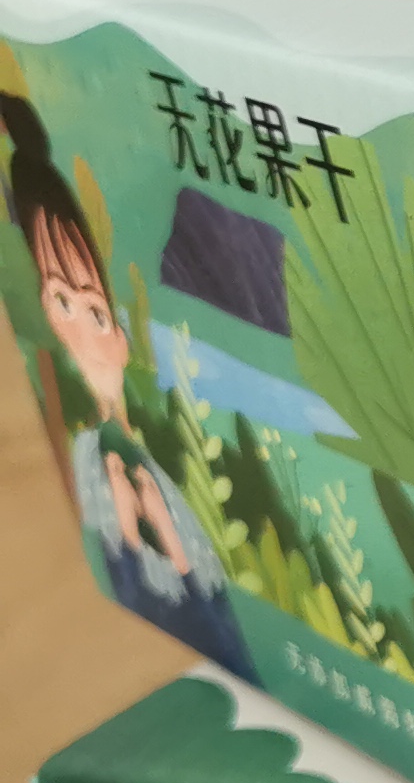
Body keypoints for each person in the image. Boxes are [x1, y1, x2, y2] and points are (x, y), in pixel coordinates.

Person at [6, 60, 249, 675]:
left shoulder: (152, 439)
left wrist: (160, 524)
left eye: (93, 309)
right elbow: (132, 575)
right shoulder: (91, 448)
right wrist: (132, 520)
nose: (79, 331)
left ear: (118, 330)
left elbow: (203, 582)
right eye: (59, 301)